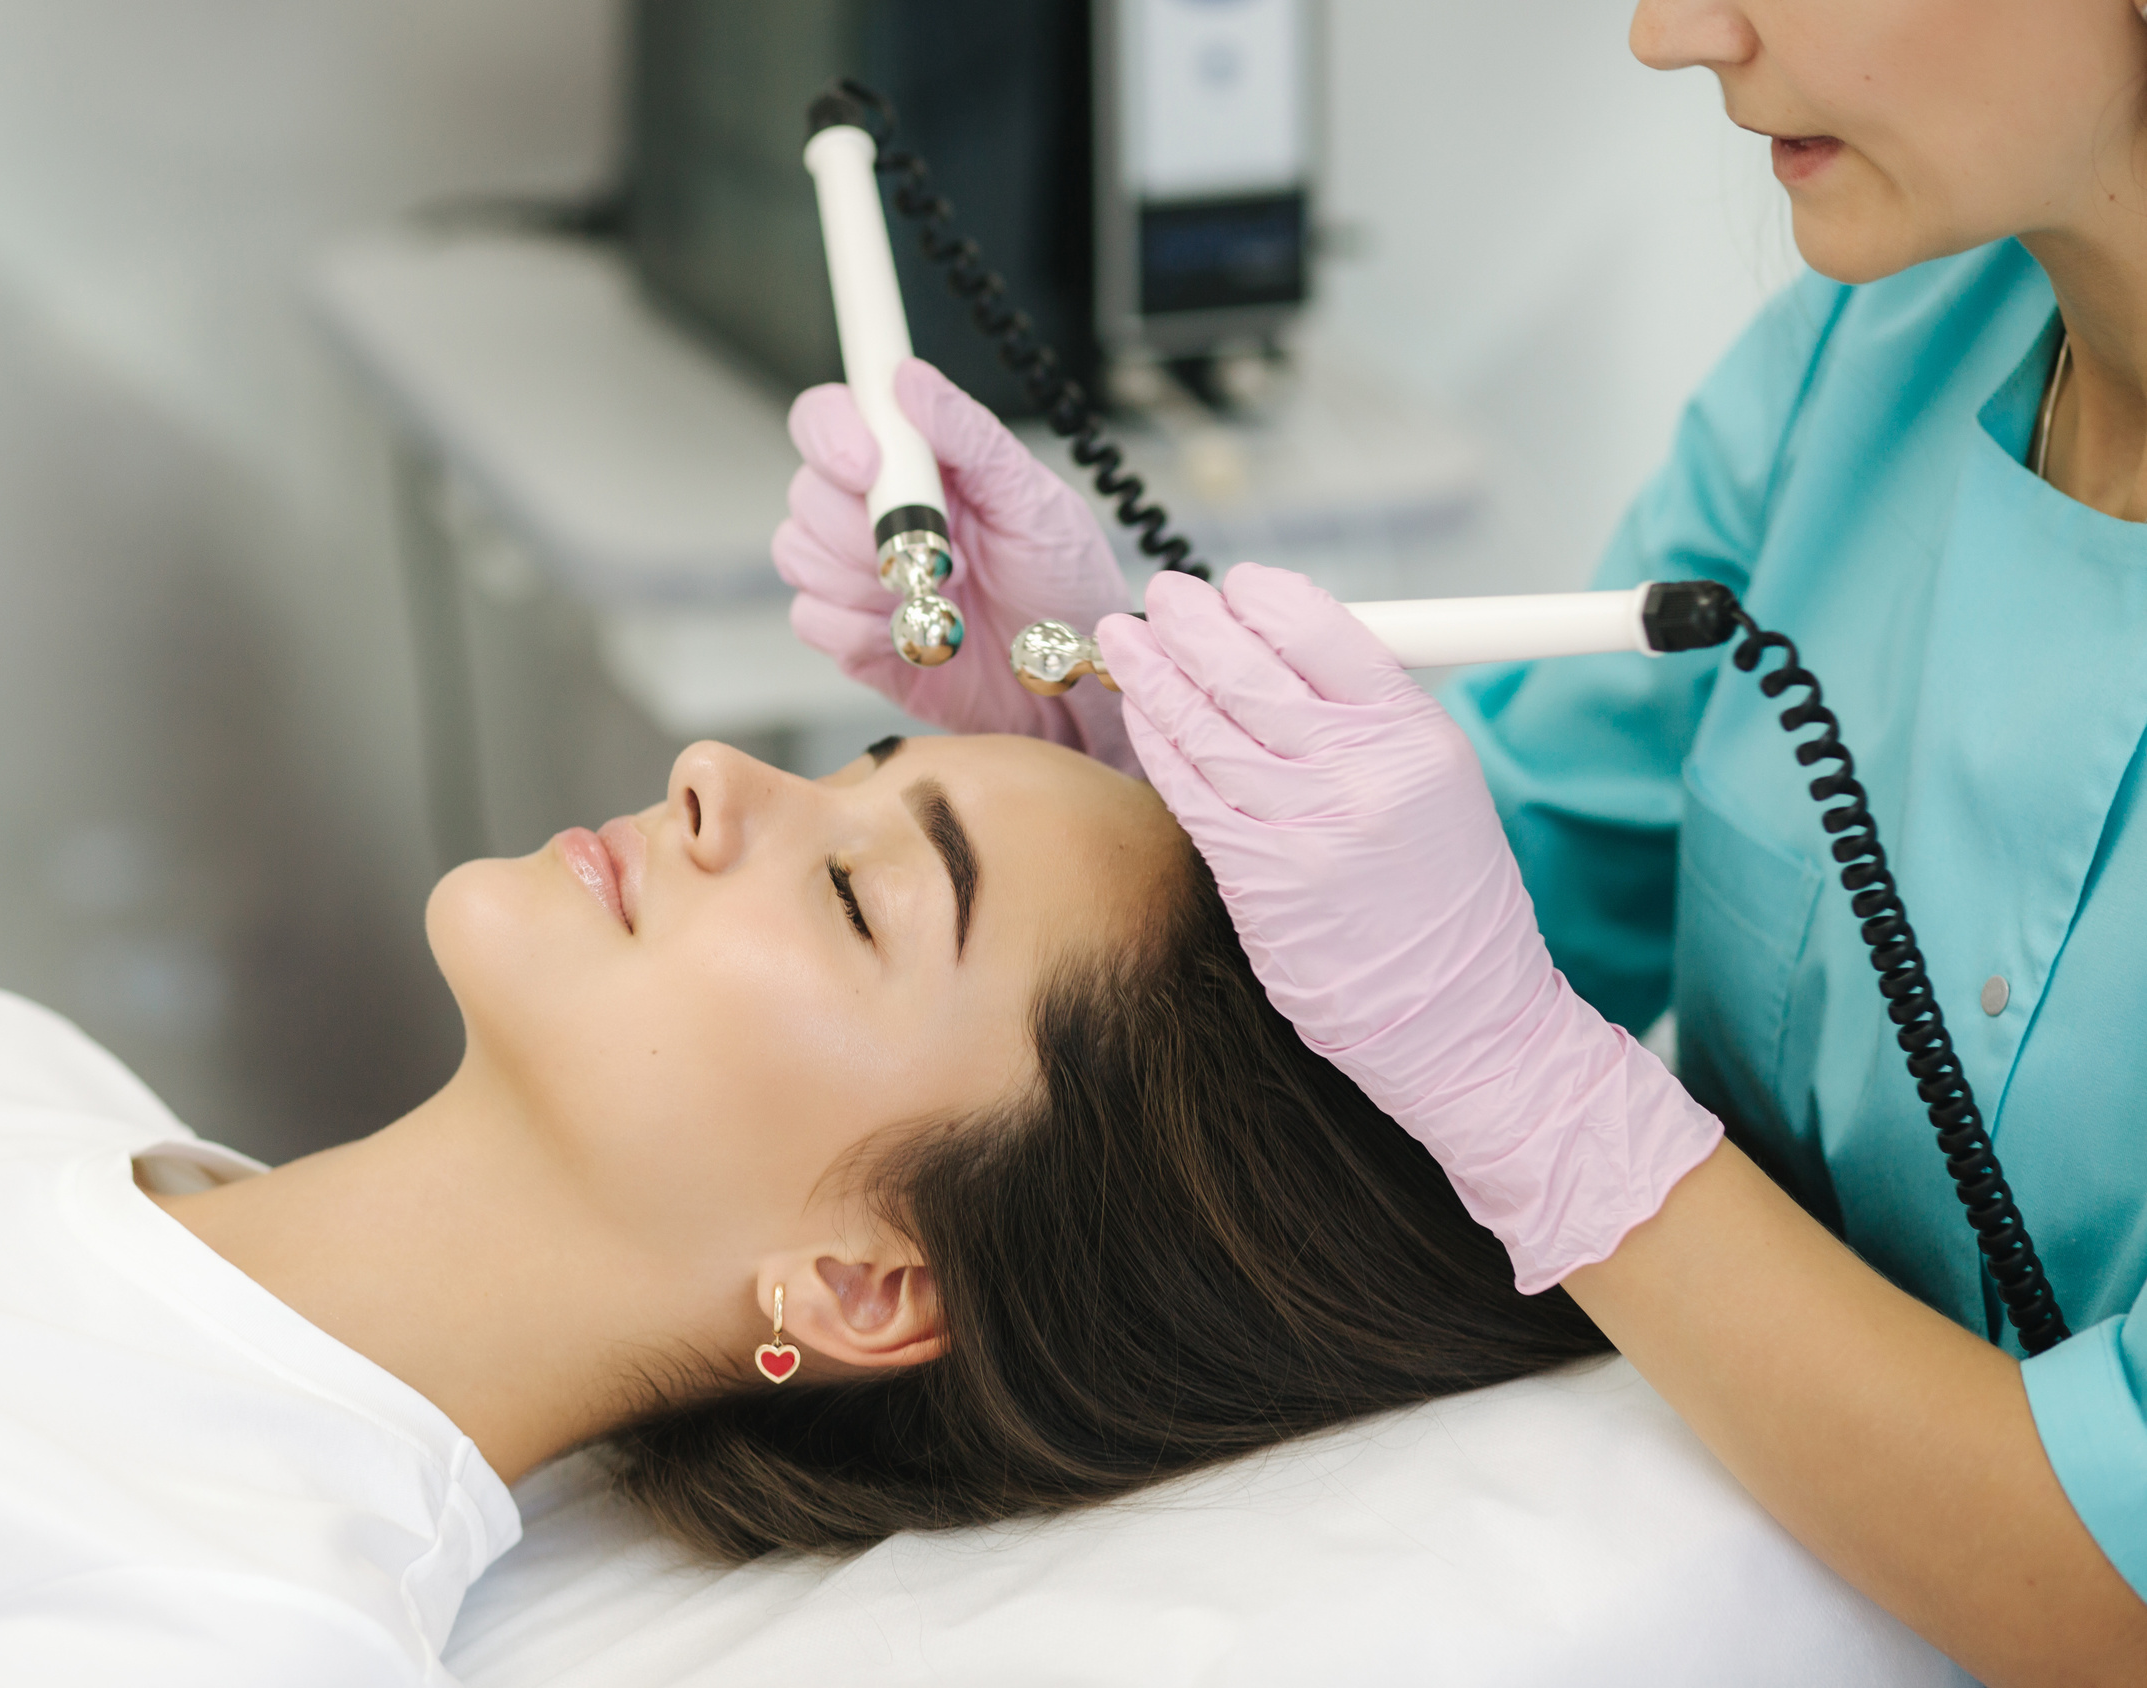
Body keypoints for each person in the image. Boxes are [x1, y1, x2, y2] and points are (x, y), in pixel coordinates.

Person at [773, 4, 2147, 1681]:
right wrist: (1135, 745)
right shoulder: (1874, 350)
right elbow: (1501, 890)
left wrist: (1541, 1095)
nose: (1670, 35)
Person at [0, 730, 1603, 1686]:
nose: (723, 773)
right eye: (855, 765)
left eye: (854, 892)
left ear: (862, 1279)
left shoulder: (213, 1617)